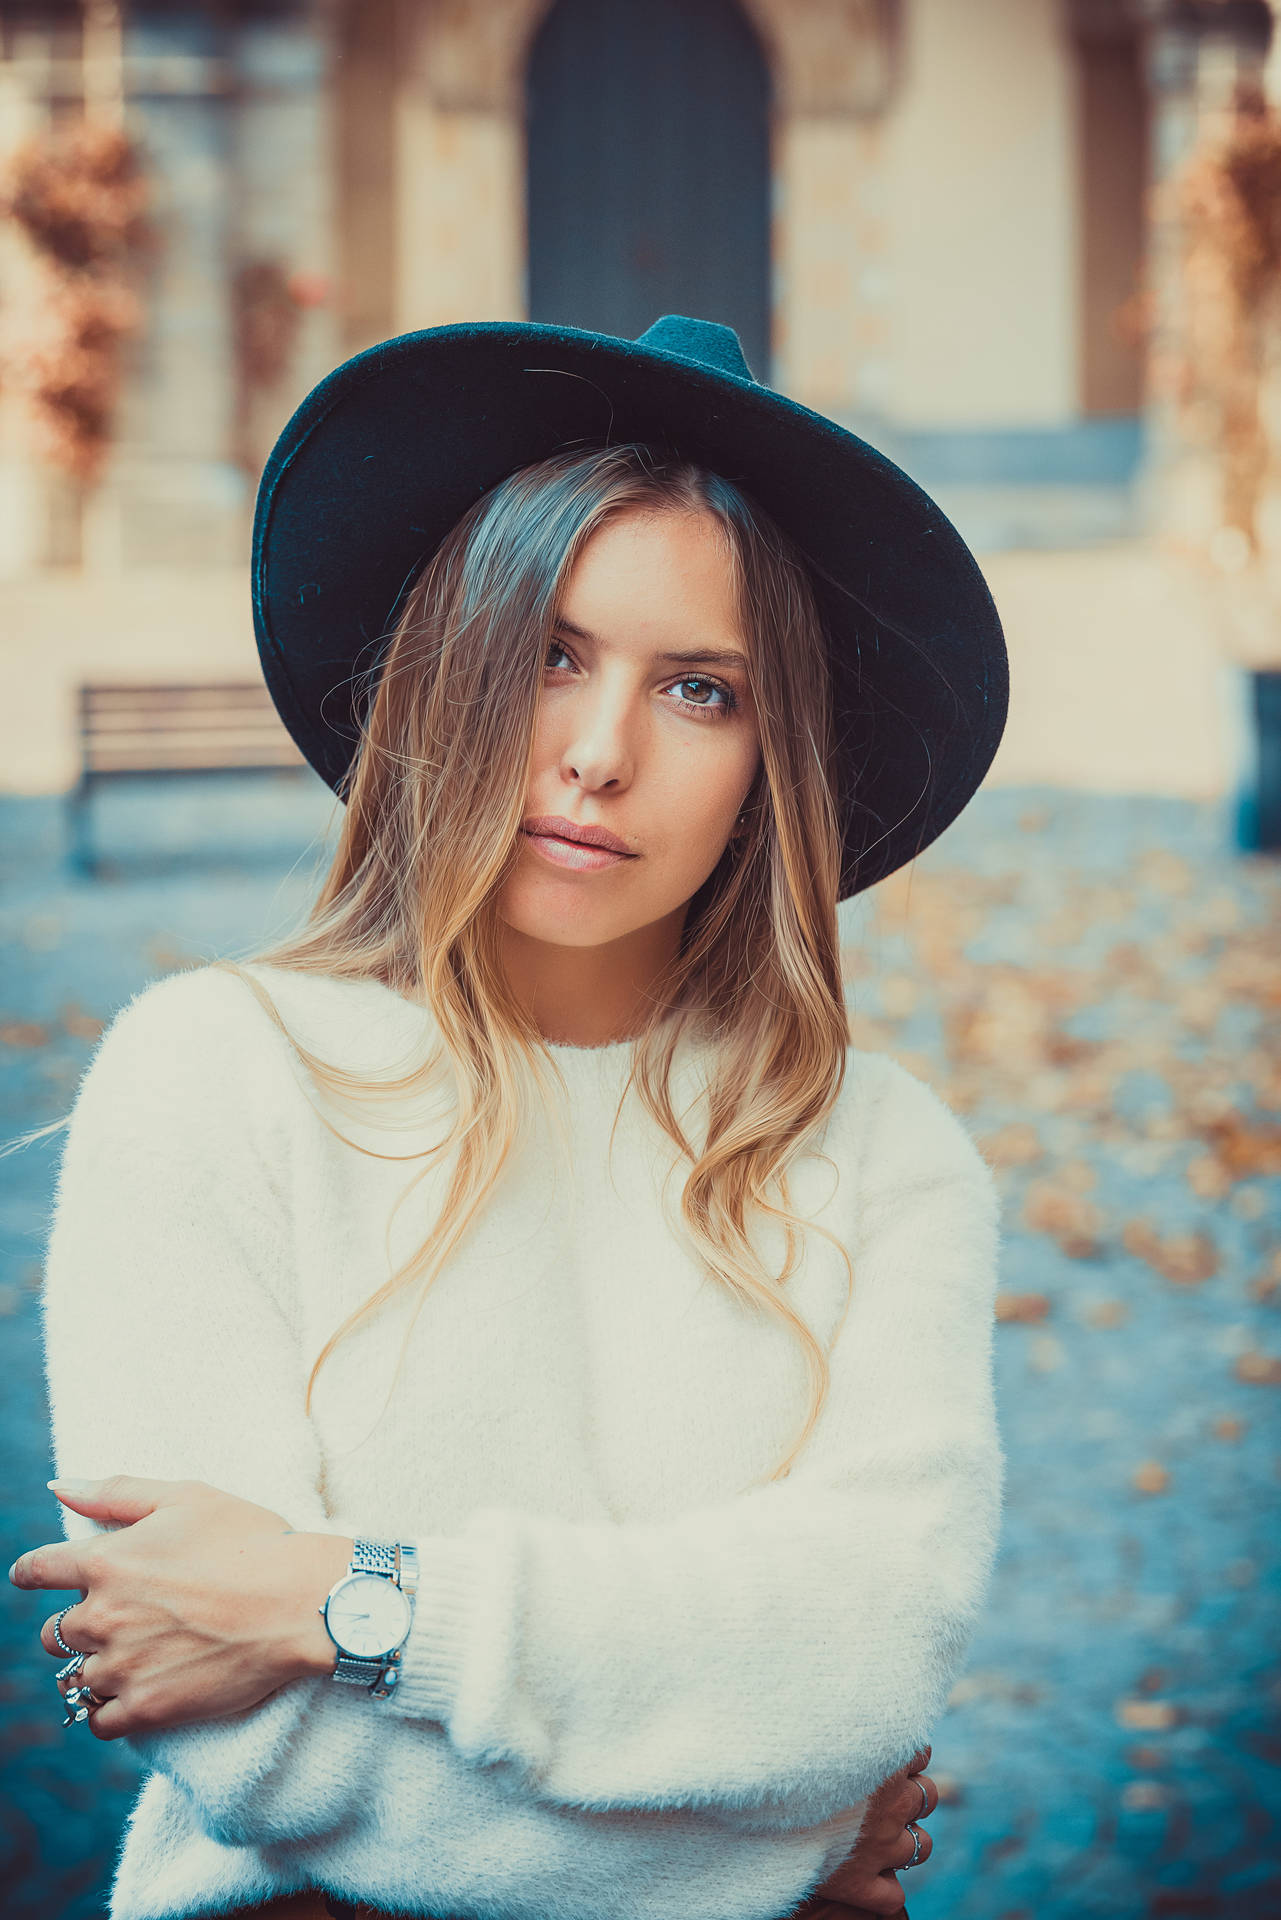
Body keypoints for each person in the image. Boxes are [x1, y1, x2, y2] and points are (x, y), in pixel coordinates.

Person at [9, 313, 1008, 1920]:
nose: (599, 755)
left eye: (697, 690)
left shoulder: (883, 1160)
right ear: (444, 669)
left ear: (774, 757)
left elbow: (862, 1659)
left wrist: (345, 1602)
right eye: (549, 654)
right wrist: (782, 1857)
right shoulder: (213, 1075)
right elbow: (266, 1764)